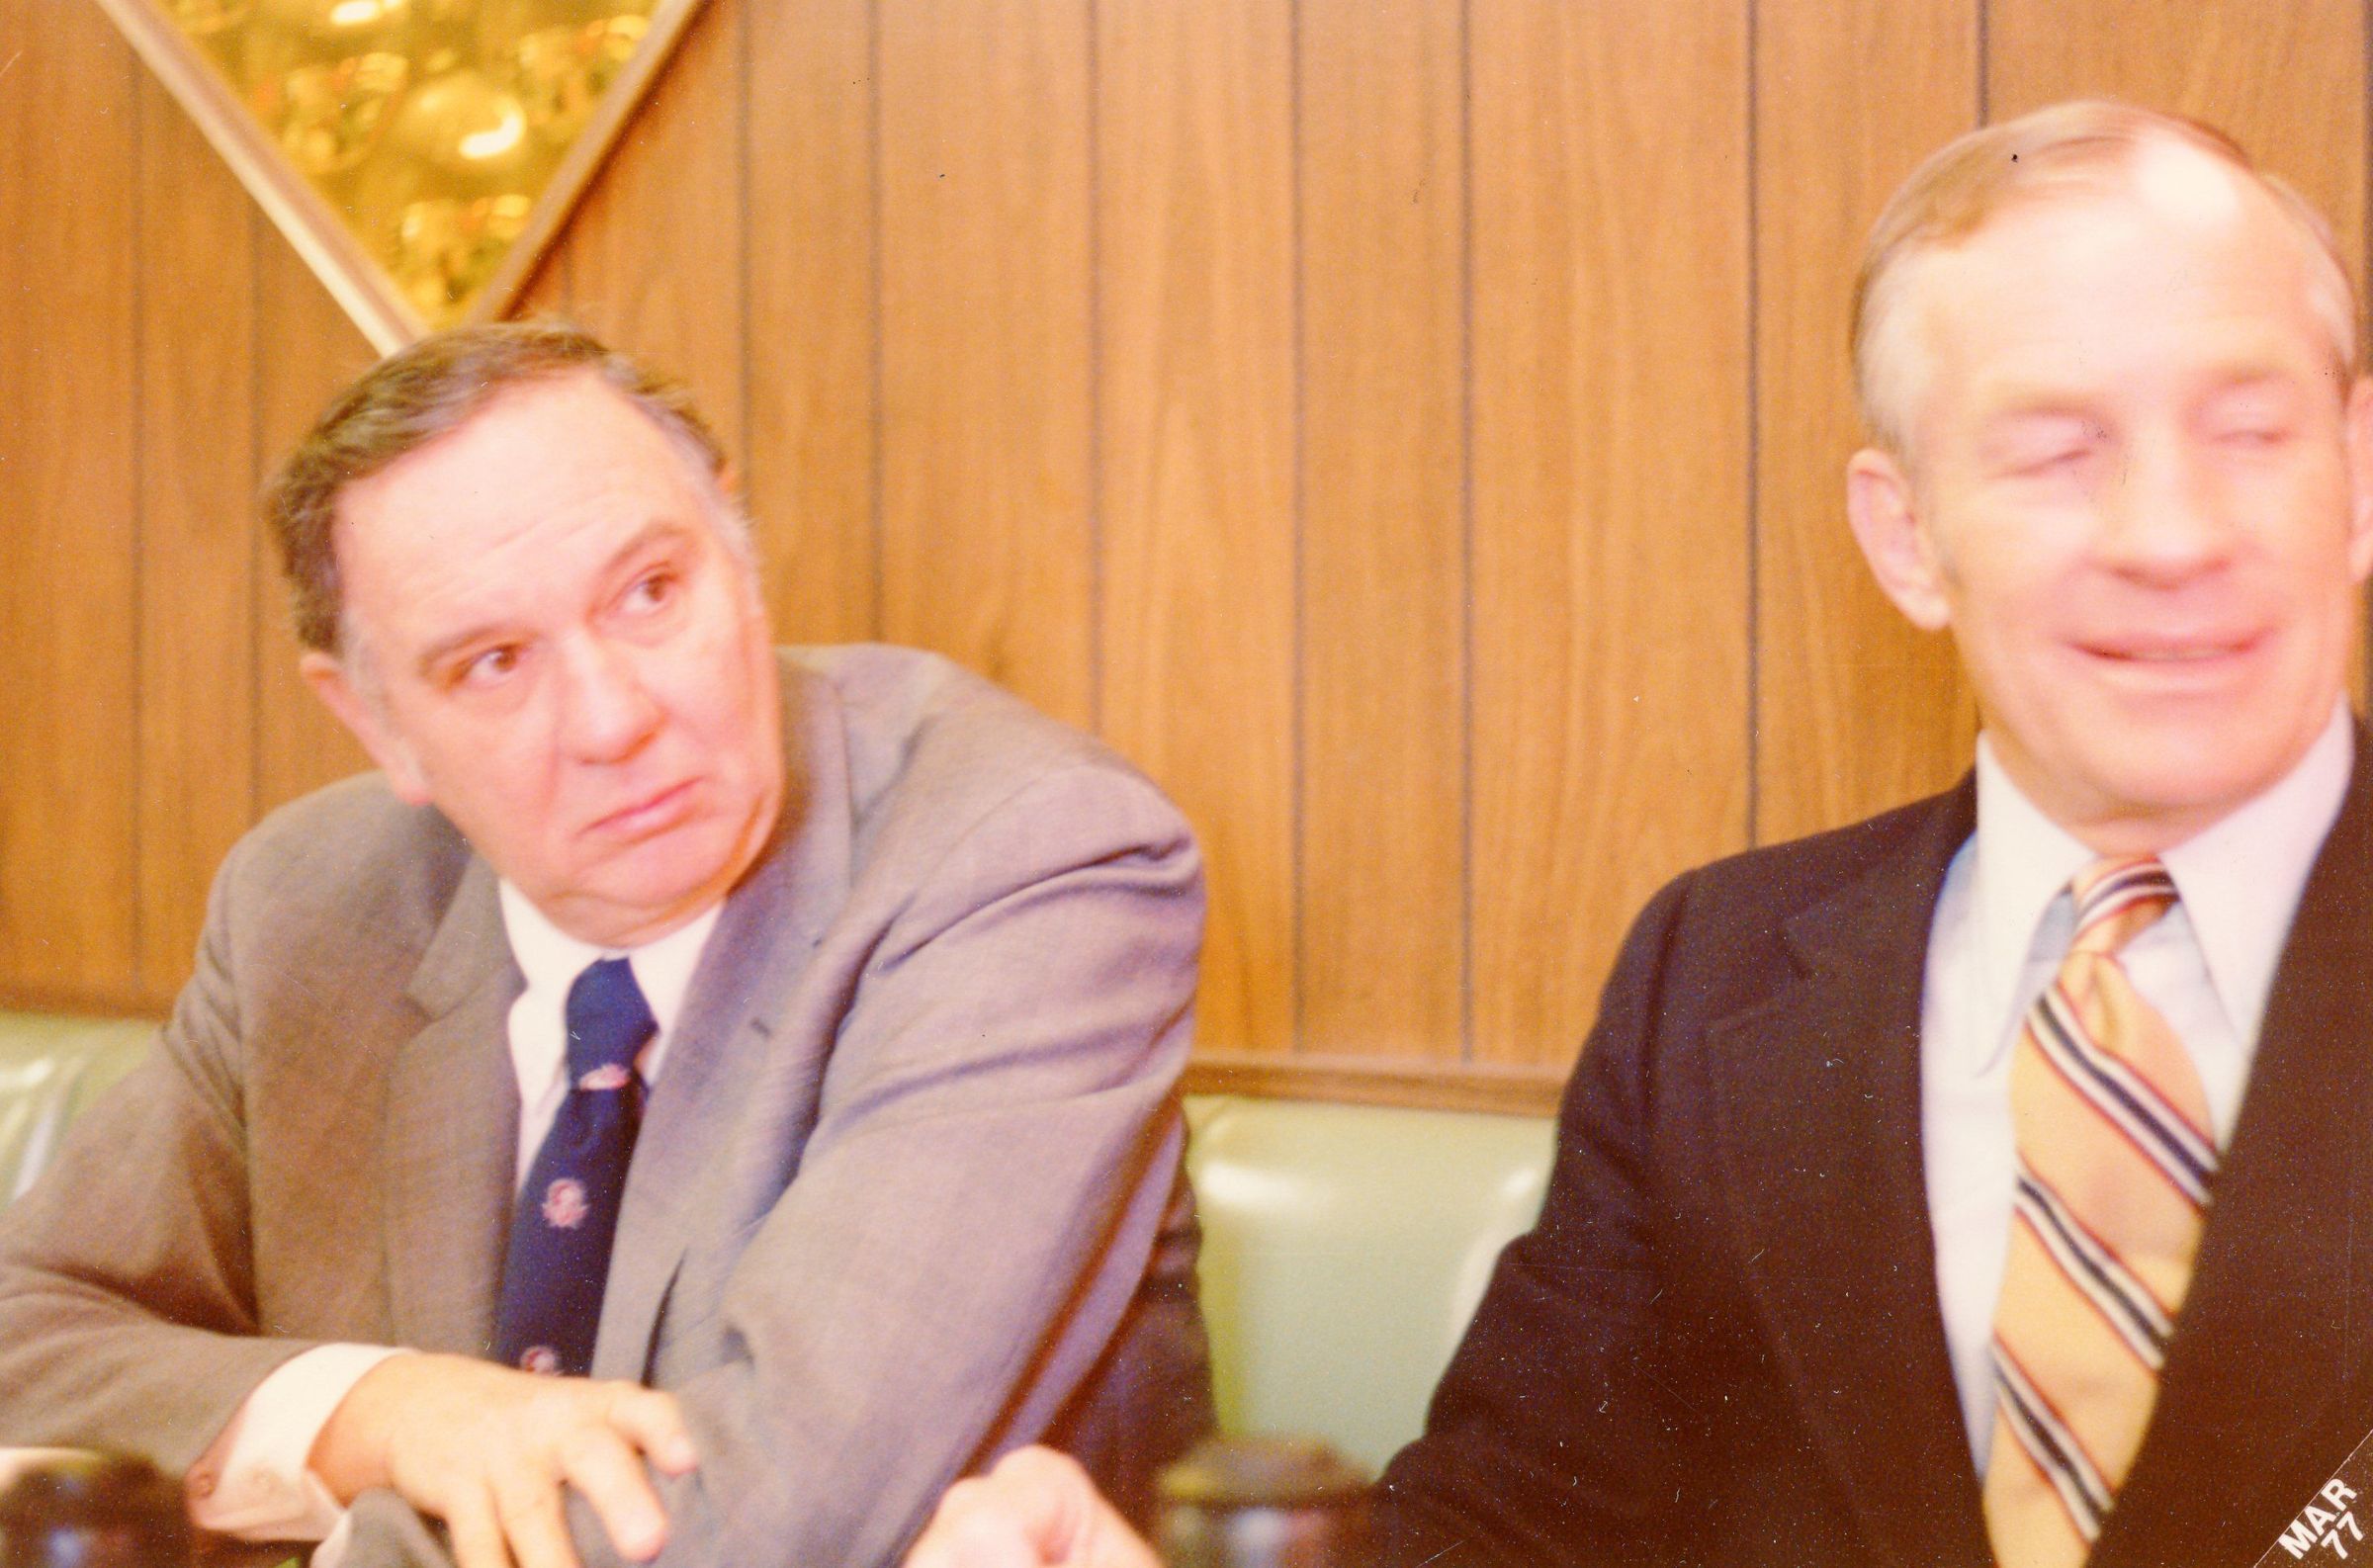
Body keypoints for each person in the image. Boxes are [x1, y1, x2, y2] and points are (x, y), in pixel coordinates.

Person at [903, 98, 2373, 1568]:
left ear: (2359, 473)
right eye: (2057, 453)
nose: (2173, 535)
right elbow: (1508, 1532)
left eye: (2250, 432)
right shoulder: (1715, 974)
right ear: (1908, 537)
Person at [0, 324, 1212, 1568]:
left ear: (738, 554)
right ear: (375, 722)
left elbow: (765, 1516)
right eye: (494, 661)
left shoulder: (1024, 855)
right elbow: (22, 1337)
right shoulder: (312, 904)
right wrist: (383, 1410)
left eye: (650, 592)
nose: (614, 717)